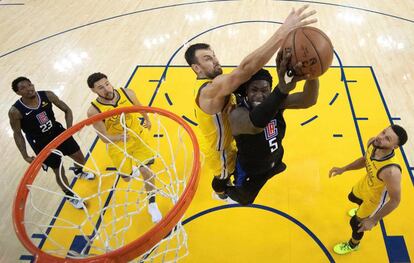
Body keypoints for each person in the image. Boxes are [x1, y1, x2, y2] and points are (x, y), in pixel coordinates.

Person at [184, 5, 317, 199]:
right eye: (207, 59)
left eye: (214, 56)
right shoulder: (209, 91)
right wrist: (283, 32)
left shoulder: (221, 87)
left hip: (235, 143)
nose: (215, 61)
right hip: (219, 150)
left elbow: (306, 99)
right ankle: (221, 192)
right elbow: (245, 70)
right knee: (222, 176)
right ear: (196, 68)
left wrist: (311, 73)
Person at [224, 51, 319, 205]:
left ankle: (273, 168)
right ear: (246, 92)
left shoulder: (276, 103)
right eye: (254, 90)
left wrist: (313, 74)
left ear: (269, 90)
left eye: (264, 90)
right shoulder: (237, 114)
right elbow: (257, 124)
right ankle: (226, 192)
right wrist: (282, 89)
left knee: (275, 165)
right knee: (245, 199)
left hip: (276, 157)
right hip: (251, 171)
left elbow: (309, 99)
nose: (260, 95)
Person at [9, 77, 95, 209]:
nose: (28, 88)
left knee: (80, 158)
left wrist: (69, 129)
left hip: (58, 132)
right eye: (23, 88)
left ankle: (78, 171)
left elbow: (67, 110)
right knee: (58, 170)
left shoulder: (47, 95)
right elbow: (18, 134)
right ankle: (69, 195)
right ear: (18, 93)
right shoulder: (15, 111)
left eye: (29, 85)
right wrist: (25, 155)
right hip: (41, 143)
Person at [86, 72, 162, 223]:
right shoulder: (94, 111)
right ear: (93, 91)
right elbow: (103, 137)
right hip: (118, 146)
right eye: (100, 88)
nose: (106, 89)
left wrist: (146, 119)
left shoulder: (126, 93)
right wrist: (118, 138)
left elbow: (139, 107)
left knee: (147, 171)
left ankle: (152, 204)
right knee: (126, 178)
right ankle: (130, 172)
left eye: (107, 84)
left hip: (137, 137)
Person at [329, 125, 408, 254]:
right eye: (383, 132)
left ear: (395, 147)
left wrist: (373, 220)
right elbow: (365, 160)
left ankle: (353, 245)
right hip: (366, 185)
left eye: (387, 139)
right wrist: (343, 169)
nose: (380, 137)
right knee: (352, 197)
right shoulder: (373, 142)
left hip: (375, 199)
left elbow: (395, 200)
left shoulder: (391, 171)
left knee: (356, 224)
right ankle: (361, 210)